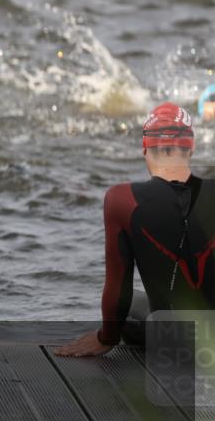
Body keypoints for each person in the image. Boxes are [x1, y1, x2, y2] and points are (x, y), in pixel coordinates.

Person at [56, 103, 215, 357]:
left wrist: (105, 338)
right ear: (192, 146)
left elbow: (118, 287)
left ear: (145, 148)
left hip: (175, 343)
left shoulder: (122, 199)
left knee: (132, 304)